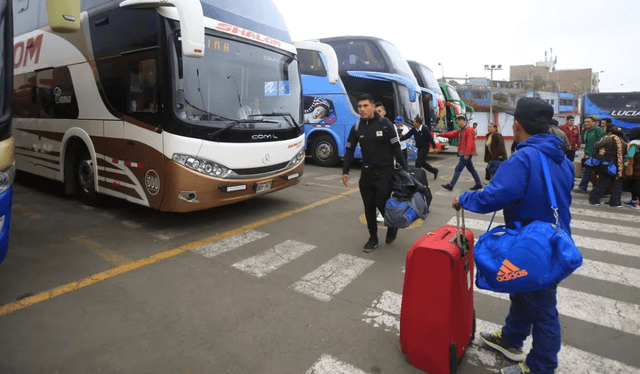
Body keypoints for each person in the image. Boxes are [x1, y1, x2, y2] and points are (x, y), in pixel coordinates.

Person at [452, 97, 573, 374]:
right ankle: (511, 339)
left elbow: (495, 195)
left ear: (517, 125)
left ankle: (541, 367)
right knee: (522, 291)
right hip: (552, 239)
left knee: (543, 311)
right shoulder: (561, 158)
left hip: (534, 247)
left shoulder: (525, 157)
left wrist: (464, 198)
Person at [342, 93, 409, 252]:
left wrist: (405, 170)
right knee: (368, 207)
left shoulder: (386, 125)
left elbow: (396, 149)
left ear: (373, 107)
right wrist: (345, 170)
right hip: (367, 174)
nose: (362, 109)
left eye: (365, 106)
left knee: (381, 202)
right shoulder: (357, 127)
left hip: (385, 173)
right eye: (359, 106)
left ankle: (392, 225)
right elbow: (349, 149)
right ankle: (373, 238)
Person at [439, 115, 484, 191]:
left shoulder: (469, 130)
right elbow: (452, 134)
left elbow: (469, 143)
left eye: (458, 122)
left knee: (458, 169)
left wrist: (466, 154)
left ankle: (451, 185)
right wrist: (440, 134)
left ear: (462, 121)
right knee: (471, 169)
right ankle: (479, 184)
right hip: (465, 153)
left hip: (466, 154)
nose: (457, 124)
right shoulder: (462, 130)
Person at [589, 124, 627, 207]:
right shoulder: (622, 142)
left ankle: (594, 199)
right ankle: (615, 202)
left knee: (602, 182)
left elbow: (597, 145)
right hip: (618, 165)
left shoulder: (609, 139)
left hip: (608, 164)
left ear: (610, 132)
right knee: (616, 183)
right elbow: (625, 153)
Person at [578, 117, 606, 192]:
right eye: (585, 122)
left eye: (588, 121)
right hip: (588, 154)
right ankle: (583, 187)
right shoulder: (586, 131)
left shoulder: (598, 130)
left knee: (589, 171)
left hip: (596, 155)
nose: (586, 123)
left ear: (593, 122)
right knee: (587, 171)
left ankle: (584, 187)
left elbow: (602, 142)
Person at [623, 127, 640, 209]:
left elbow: (629, 156)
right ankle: (634, 200)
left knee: (635, 185)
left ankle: (635, 202)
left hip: (636, 168)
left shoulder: (634, 145)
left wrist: (622, 155)